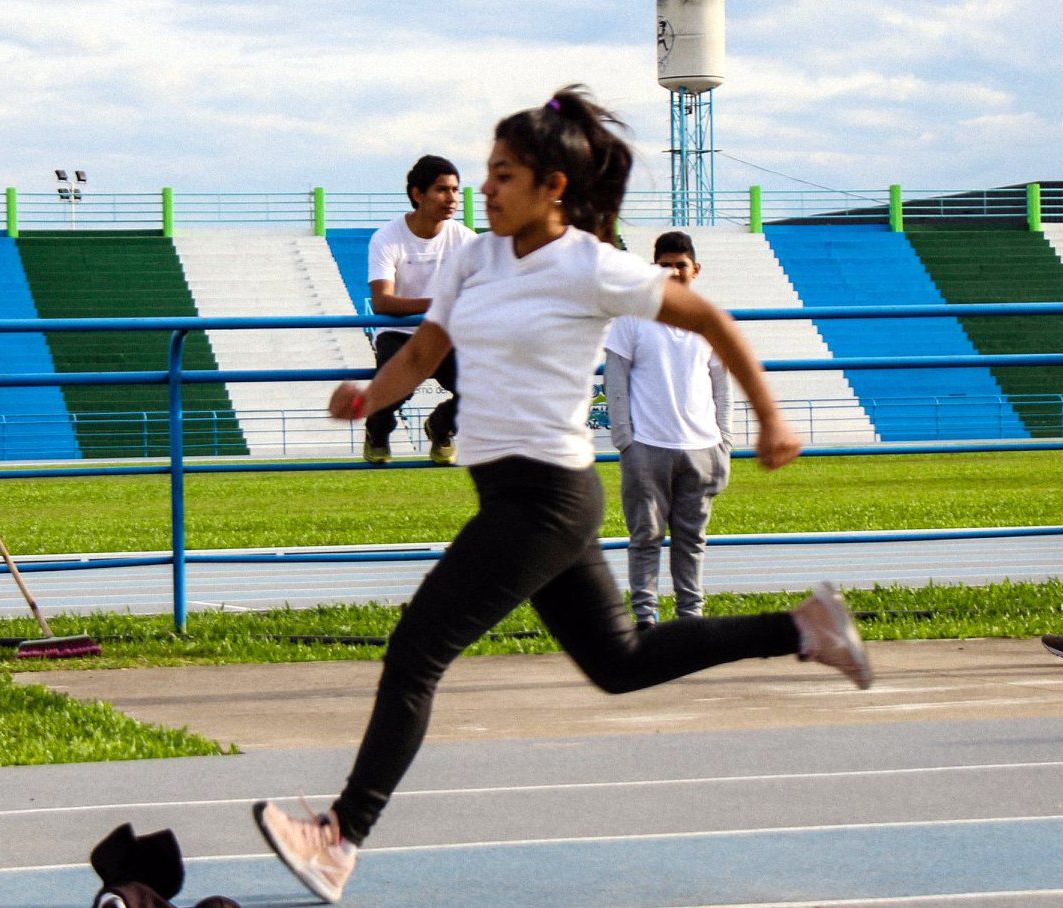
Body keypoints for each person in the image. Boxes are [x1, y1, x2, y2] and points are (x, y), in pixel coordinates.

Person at [252, 86, 872, 904]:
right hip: (528, 499)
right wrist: (369, 396)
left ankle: (341, 835)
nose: (485, 188)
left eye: (503, 174)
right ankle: (802, 627)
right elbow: (424, 350)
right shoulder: (473, 258)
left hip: (543, 499)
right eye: (484, 172)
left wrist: (769, 419)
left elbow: (712, 322)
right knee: (620, 664)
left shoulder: (592, 265)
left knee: (416, 650)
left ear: (552, 187)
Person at [605, 230, 732, 628]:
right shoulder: (631, 317)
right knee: (645, 537)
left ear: (696, 269)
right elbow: (615, 380)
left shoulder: (710, 319)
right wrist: (626, 440)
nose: (674, 272)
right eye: (665, 265)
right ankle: (646, 620)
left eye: (681, 265)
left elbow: (721, 383)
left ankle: (690, 618)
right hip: (647, 446)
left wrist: (724, 439)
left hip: (702, 446)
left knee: (692, 540)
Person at [363, 155, 476, 465]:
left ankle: (441, 429)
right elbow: (383, 302)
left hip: (445, 333)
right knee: (391, 392)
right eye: (442, 190)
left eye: (455, 189)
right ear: (417, 194)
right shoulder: (386, 237)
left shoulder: (465, 238)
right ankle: (378, 431)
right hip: (398, 332)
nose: (452, 198)